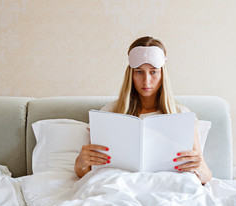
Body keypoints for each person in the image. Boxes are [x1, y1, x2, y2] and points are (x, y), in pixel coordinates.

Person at [74, 36, 212, 184]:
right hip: (119, 185)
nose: (146, 80)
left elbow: (205, 177)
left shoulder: (182, 115)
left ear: (162, 74)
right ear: (131, 74)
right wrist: (81, 162)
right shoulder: (109, 112)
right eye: (139, 72)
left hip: (168, 186)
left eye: (153, 72)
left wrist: (200, 166)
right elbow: (86, 173)